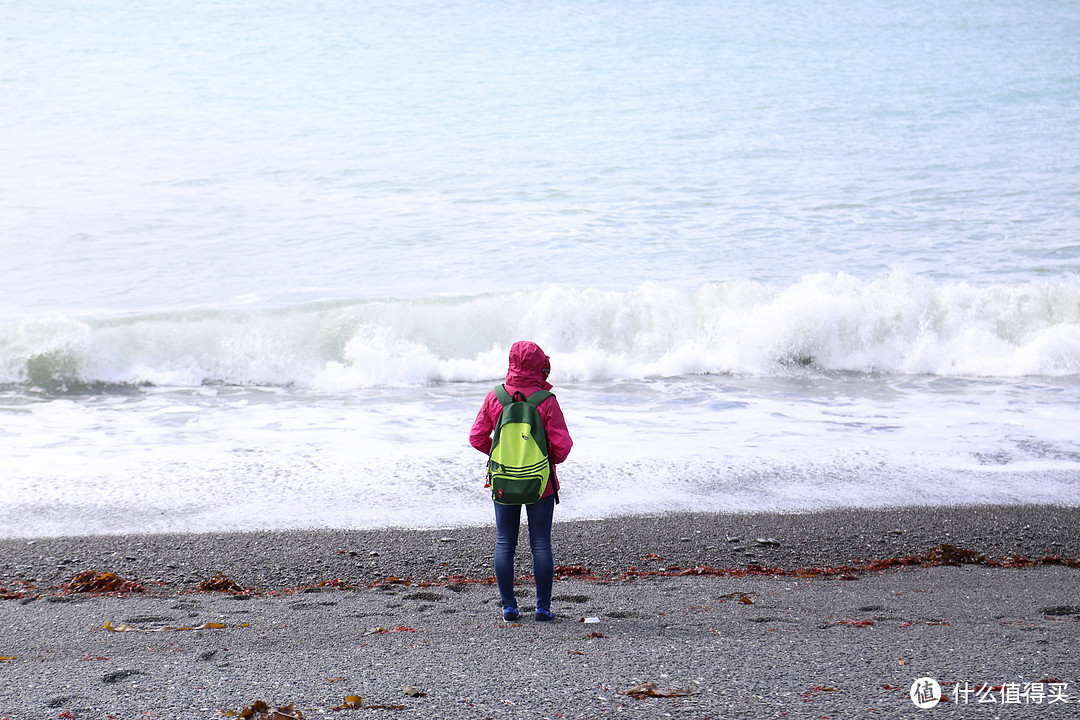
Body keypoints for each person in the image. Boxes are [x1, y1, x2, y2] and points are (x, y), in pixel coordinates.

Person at [469, 341, 573, 622]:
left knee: (505, 542)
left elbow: (476, 438)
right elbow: (562, 448)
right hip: (541, 483)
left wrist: (503, 454)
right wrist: (538, 458)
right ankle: (542, 608)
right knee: (540, 543)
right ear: (540, 365)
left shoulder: (495, 397)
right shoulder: (545, 400)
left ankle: (509, 608)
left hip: (503, 480)